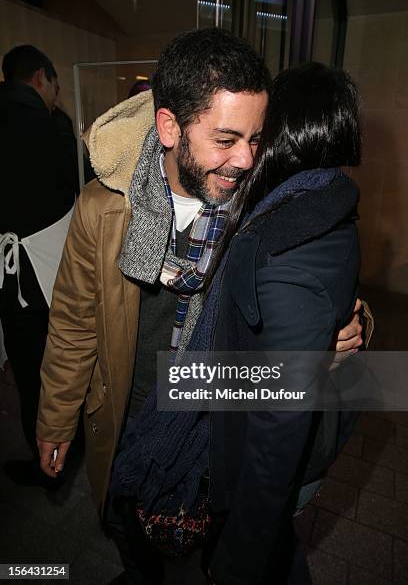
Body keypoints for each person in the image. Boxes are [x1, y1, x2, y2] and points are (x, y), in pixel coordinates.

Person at [36, 30, 363, 584]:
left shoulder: (264, 204)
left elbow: (328, 283)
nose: (246, 160)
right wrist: (54, 418)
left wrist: (349, 330)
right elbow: (72, 325)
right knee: (132, 544)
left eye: (258, 138)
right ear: (169, 127)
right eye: (227, 139)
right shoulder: (101, 210)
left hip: (215, 427)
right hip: (125, 418)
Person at [189, 62, 363, 584]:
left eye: (258, 132)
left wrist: (237, 557)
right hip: (284, 431)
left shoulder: (285, 238)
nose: (246, 151)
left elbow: (277, 428)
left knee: (266, 557)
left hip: (268, 460)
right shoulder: (326, 198)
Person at [0, 45, 77, 486]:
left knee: (28, 373)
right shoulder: (50, 131)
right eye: (55, 85)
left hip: (7, 277)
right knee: (59, 364)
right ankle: (64, 451)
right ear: (40, 78)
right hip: (50, 274)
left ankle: (41, 458)